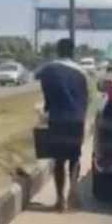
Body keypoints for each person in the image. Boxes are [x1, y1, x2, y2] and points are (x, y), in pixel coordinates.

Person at [36, 38, 88, 212]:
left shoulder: (48, 69)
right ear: (72, 52)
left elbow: (46, 95)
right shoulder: (81, 72)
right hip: (77, 119)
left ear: (57, 51)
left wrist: (46, 110)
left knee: (58, 160)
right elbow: (85, 99)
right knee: (74, 158)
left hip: (57, 119)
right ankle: (73, 190)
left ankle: (60, 201)